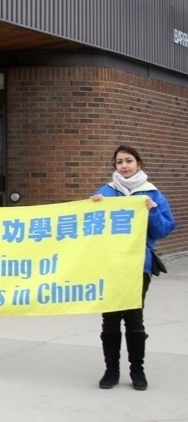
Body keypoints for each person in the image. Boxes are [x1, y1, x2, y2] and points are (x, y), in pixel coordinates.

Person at [90, 144, 175, 391]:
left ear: (138, 163)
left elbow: (164, 230)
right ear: (114, 166)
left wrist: (151, 211)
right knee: (110, 321)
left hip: (139, 267)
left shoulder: (152, 194)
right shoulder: (106, 193)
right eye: (119, 162)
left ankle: (137, 371)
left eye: (129, 161)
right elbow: (89, 229)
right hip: (111, 266)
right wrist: (92, 207)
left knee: (134, 321)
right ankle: (111, 371)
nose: (124, 166)